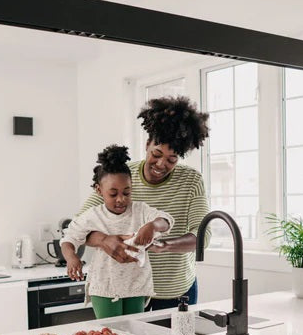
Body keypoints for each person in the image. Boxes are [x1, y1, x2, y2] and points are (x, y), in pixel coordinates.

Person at [77, 96, 210, 309]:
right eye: (156, 154)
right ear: (147, 144)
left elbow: (202, 236)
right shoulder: (123, 177)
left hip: (174, 293)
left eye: (171, 159)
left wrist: (165, 245)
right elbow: (79, 225)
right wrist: (103, 240)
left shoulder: (191, 180)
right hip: (127, 291)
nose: (161, 164)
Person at [61, 145, 173, 319]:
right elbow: (69, 237)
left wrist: (153, 226)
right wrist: (71, 257)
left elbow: (166, 219)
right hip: (104, 288)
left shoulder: (140, 210)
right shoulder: (93, 215)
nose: (121, 199)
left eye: (126, 192)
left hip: (136, 285)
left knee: (134, 334)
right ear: (99, 190)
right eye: (113, 194)